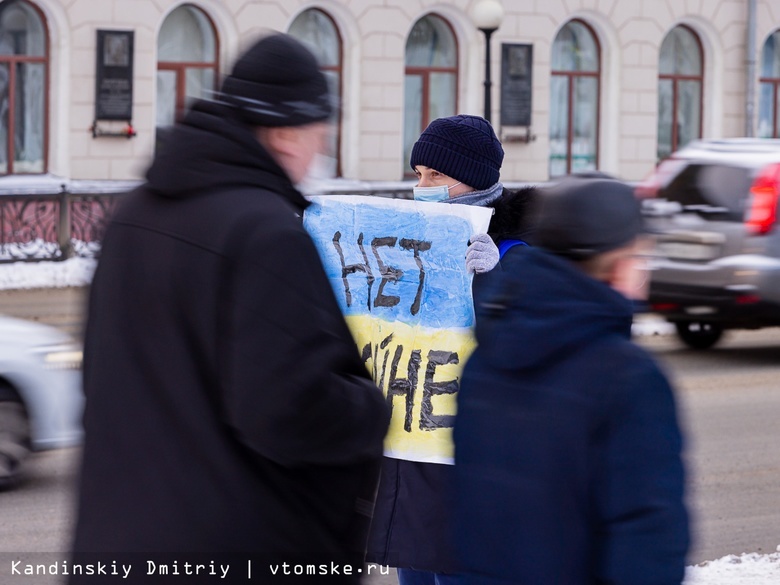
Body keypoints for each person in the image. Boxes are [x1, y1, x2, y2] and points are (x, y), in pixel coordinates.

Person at [69, 33, 389, 583]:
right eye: (320, 132)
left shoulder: (131, 217)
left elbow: (97, 371)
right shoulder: (264, 234)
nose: (321, 150)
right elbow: (290, 411)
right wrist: (370, 406)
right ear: (287, 131)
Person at [453, 175, 689, 585]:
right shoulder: (627, 379)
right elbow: (647, 537)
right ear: (621, 262)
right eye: (642, 255)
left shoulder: (487, 358)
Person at [366, 114, 536, 584]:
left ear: (476, 180)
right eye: (418, 174)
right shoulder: (409, 244)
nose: (423, 185)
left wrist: (498, 274)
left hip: (481, 468)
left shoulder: (521, 251)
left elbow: (534, 346)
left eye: (437, 174)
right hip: (419, 458)